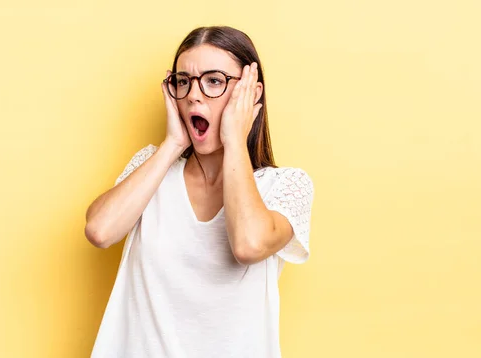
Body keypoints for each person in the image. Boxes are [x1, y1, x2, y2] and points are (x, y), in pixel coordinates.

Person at [85, 25, 315, 358]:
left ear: (251, 93)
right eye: (183, 81)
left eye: (214, 81)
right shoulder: (153, 167)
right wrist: (173, 144)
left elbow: (249, 245)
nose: (194, 94)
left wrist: (235, 138)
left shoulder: (286, 185)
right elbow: (100, 230)